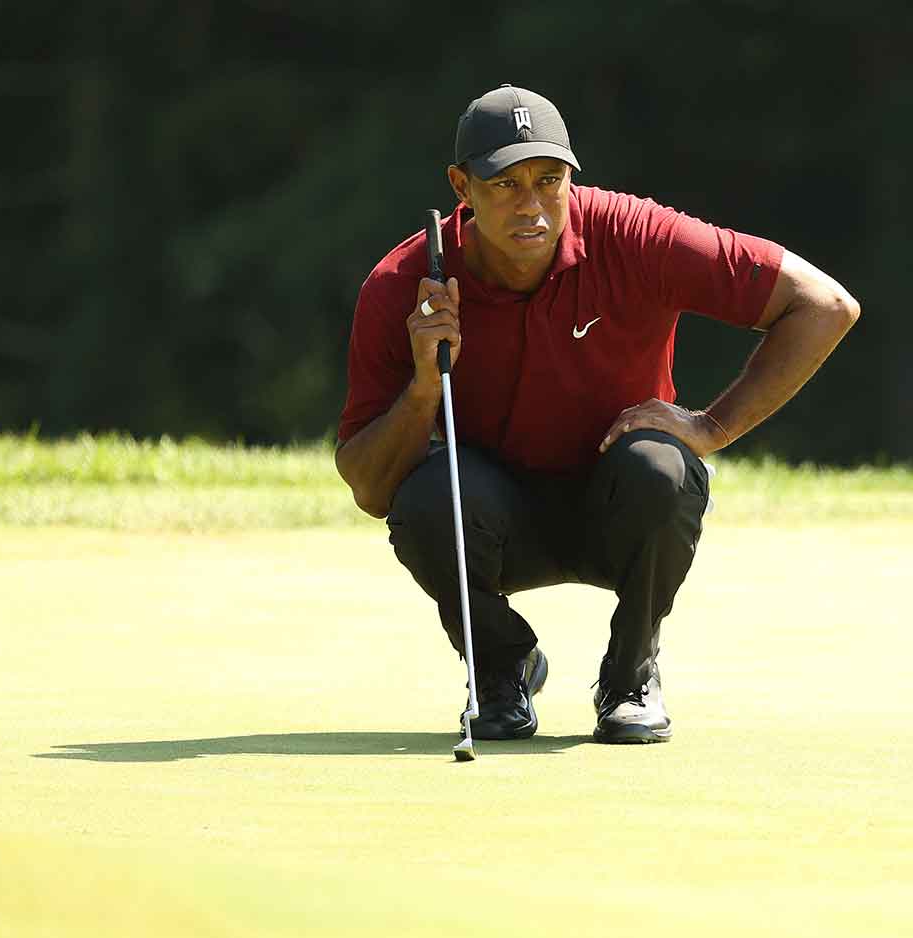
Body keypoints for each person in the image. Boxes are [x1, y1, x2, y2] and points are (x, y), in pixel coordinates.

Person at [334, 84, 859, 744]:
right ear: (461, 187)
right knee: (429, 499)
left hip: (621, 507)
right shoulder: (405, 285)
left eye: (549, 180)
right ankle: (502, 668)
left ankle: (631, 675)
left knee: (662, 468)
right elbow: (370, 487)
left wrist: (712, 426)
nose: (532, 205)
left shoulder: (636, 238)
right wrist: (419, 388)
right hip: (497, 517)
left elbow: (825, 306)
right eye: (504, 185)